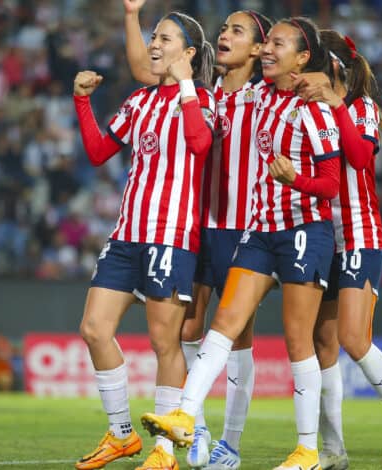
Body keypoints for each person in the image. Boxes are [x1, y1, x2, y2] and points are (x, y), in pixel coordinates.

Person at [141, 17, 341, 470]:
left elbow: (330, 184)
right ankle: (185, 418)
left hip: (301, 230)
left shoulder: (315, 105)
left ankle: (303, 448)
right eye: (266, 42)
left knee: (296, 341)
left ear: (302, 57)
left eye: (274, 42)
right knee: (217, 329)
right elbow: (187, 88)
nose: (268, 49)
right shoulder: (251, 96)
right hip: (256, 231)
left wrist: (298, 176)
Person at [123, 1, 273, 467]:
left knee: (237, 336)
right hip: (197, 226)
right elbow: (146, 71)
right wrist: (132, 18)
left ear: (258, 49)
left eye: (238, 30)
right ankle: (198, 428)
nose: (224, 34)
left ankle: (230, 441)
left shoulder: (265, 95)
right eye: (224, 28)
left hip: (243, 230)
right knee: (189, 327)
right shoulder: (201, 92)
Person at [72, 9, 215, 470]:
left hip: (172, 238)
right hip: (126, 235)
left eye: (166, 39)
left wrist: (187, 86)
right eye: (153, 37)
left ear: (188, 53)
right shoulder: (139, 102)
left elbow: (199, 145)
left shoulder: (204, 102)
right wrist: (81, 102)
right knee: (94, 329)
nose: (154, 45)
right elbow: (98, 152)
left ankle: (165, 451)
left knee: (164, 344)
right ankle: (121, 436)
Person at [295, 31, 382, 469]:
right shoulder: (309, 111)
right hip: (321, 238)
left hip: (358, 236)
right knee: (322, 343)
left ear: (332, 69)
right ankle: (333, 450)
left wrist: (334, 102)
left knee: (352, 337)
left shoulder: (362, 108)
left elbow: (360, 158)